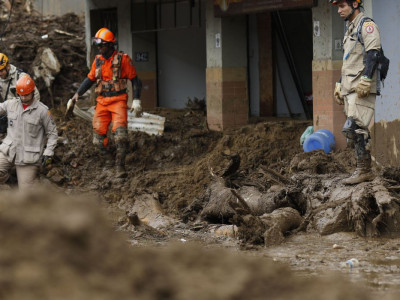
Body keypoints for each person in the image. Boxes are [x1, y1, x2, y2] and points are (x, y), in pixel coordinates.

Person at [71, 27, 142, 178]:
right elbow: (89, 79)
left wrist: (136, 99)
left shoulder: (123, 60)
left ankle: (120, 166)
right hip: (102, 102)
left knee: (121, 136)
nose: (99, 48)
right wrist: (77, 94)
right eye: (98, 45)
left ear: (110, 45)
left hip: (118, 101)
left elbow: (136, 80)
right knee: (97, 141)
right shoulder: (98, 61)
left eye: (102, 45)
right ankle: (110, 160)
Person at [330, 0, 381, 185]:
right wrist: (339, 84)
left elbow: (373, 54)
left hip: (362, 87)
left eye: (342, 6)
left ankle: (364, 170)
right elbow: (350, 60)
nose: (339, 11)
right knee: (354, 130)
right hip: (350, 87)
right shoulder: (351, 28)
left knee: (355, 127)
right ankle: (361, 169)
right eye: (337, 7)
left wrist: (367, 79)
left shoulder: (367, 26)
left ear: (355, 4)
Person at [0, 75, 58, 190]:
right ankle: (9, 184)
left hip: (28, 157)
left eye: (26, 95)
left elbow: (52, 133)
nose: (23, 98)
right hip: (8, 151)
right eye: (20, 95)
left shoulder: (42, 111)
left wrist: (48, 152)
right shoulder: (11, 104)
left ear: (32, 92)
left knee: (26, 194)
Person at [0, 53, 40, 140]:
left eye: (1, 71)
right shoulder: (0, 79)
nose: (0, 74)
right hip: (8, 113)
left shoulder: (21, 77)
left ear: (8, 66)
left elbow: (36, 96)